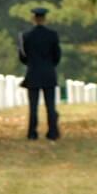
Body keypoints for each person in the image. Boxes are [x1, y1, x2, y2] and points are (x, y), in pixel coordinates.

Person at [19, 7, 62, 140]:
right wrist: (49, 65)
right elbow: (57, 55)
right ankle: (53, 132)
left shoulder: (26, 36)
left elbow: (22, 56)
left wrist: (31, 64)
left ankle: (32, 133)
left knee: (33, 106)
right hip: (48, 73)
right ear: (44, 19)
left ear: (33, 19)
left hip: (33, 73)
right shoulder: (52, 35)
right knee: (50, 105)